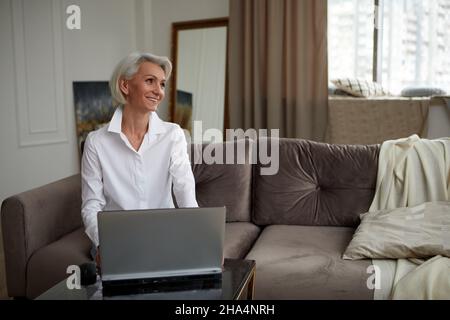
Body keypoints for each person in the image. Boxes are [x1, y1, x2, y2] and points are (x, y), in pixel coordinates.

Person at [81, 52, 198, 267]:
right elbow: (92, 204)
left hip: (164, 234)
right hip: (117, 238)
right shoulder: (96, 142)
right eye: (150, 81)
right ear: (125, 86)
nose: (159, 91)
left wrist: (199, 238)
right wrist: (103, 243)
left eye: (162, 84)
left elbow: (185, 190)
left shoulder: (173, 135)